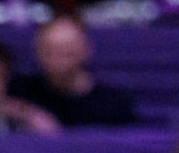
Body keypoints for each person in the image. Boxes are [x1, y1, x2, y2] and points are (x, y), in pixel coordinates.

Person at [8, 13, 137, 127]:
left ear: (86, 50)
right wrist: (27, 114)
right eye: (49, 50)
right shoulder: (19, 92)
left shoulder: (113, 104)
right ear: (37, 51)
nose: (58, 59)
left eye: (67, 51)